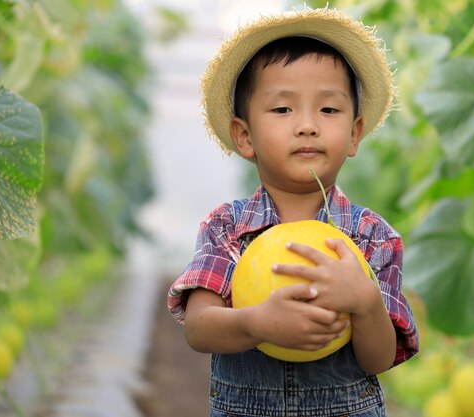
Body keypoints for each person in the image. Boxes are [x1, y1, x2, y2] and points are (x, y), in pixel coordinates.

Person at [168, 7, 419, 417]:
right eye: (283, 110)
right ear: (244, 136)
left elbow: (379, 359)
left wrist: (366, 301)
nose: (307, 125)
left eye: (329, 110)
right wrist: (256, 323)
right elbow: (199, 328)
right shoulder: (227, 228)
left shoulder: (372, 236)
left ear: (354, 134)